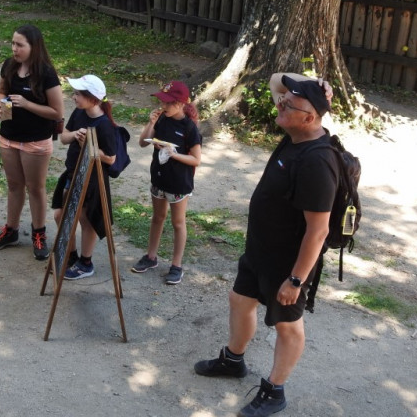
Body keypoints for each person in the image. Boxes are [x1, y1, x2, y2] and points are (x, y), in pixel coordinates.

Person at [194, 73, 337, 417]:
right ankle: (233, 361)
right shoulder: (296, 131)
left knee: (288, 326)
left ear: (310, 118)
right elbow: (276, 81)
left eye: (290, 103)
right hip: (260, 250)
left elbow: (318, 231)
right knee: (240, 300)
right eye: (285, 100)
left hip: (287, 263)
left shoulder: (317, 161)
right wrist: (315, 84)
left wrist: (296, 280)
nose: (280, 103)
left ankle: (275, 391)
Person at [0, 25, 63, 260]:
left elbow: (57, 112)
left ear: (33, 47)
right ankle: (11, 230)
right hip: (9, 137)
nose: (14, 48)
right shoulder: (9, 65)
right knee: (13, 185)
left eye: (20, 45)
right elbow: (1, 91)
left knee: (36, 188)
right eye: (13, 43)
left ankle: (39, 233)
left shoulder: (46, 73)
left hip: (35, 141)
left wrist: (27, 104)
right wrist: (4, 104)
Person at [131, 80, 202, 285]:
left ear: (180, 104)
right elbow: (142, 143)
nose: (163, 106)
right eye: (162, 101)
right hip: (159, 178)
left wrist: (173, 154)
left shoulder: (189, 128)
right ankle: (151, 257)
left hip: (178, 183)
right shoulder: (162, 119)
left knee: (178, 222)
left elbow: (196, 159)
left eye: (168, 103)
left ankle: (176, 265)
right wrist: (151, 124)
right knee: (157, 217)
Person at [51, 74, 117, 280]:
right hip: (72, 173)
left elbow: (111, 159)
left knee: (86, 219)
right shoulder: (79, 113)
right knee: (60, 215)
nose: (74, 97)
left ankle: (85, 263)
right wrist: (75, 135)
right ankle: (70, 255)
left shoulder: (104, 125)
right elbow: (64, 137)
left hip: (91, 179)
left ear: (93, 99)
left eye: (78, 94)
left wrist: (90, 147)